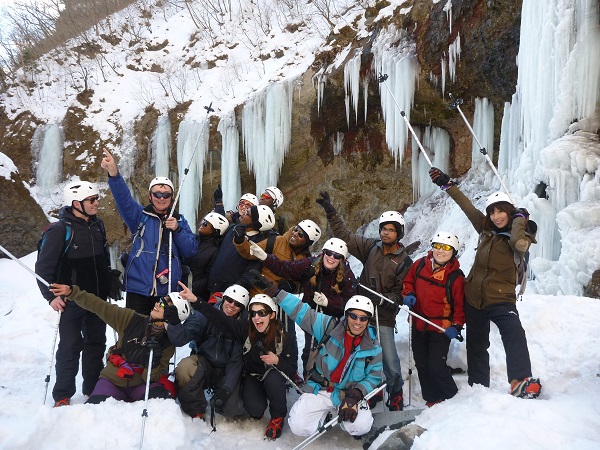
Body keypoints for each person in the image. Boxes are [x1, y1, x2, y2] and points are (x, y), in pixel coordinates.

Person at [429, 167, 541, 398]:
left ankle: (520, 380)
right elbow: (467, 206)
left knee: (514, 333)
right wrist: (448, 185)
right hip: (474, 297)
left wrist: (520, 220)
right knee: (477, 345)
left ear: (510, 212)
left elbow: (520, 246)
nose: (496, 216)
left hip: (501, 298)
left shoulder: (521, 234)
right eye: (492, 213)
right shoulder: (485, 229)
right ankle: (478, 387)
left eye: (502, 212)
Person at [251, 271, 382, 438]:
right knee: (298, 426)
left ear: (368, 320)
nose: (358, 322)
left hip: (349, 395)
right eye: (353, 316)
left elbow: (374, 376)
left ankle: (345, 419)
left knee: (361, 426)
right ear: (346, 315)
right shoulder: (330, 326)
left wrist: (356, 394)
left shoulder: (373, 347)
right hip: (321, 389)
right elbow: (302, 312)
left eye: (363, 318)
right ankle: (325, 416)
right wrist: (277, 293)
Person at [316, 192, 411, 411]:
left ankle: (395, 392)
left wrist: (387, 299)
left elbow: (401, 293)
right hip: (359, 314)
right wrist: (330, 212)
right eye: (383, 228)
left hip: (384, 316)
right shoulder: (371, 248)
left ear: (399, 233)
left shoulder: (405, 261)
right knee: (356, 355)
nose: (385, 233)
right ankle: (363, 392)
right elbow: (346, 236)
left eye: (390, 229)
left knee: (389, 359)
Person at [180, 284, 296, 441]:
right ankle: (258, 403)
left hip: (272, 374)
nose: (257, 317)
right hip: (252, 375)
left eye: (262, 313)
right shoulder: (245, 329)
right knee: (255, 410)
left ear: (272, 315)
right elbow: (221, 319)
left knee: (274, 380)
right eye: (253, 313)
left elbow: (291, 369)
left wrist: (277, 361)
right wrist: (197, 301)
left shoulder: (285, 338)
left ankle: (277, 418)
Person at [35, 181, 111, 407]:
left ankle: (93, 388)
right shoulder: (60, 230)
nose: (97, 203)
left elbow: (102, 260)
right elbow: (43, 268)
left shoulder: (98, 226)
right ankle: (63, 394)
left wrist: (110, 280)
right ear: (76, 203)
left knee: (96, 343)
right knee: (70, 346)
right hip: (72, 300)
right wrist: (50, 297)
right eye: (92, 200)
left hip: (97, 299)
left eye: (96, 199)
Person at [49, 283, 190, 404]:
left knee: (159, 409)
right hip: (113, 379)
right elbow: (99, 306)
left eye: (165, 304)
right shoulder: (130, 319)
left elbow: (152, 378)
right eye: (161, 300)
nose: (158, 304)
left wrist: (152, 363)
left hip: (141, 384)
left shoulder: (167, 343)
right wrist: (73, 292)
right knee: (95, 410)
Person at [100, 148, 197, 315]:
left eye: (166, 194)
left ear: (171, 198)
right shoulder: (140, 217)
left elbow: (191, 250)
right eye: (157, 194)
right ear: (150, 196)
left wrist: (178, 230)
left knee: (162, 335)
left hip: (167, 290)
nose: (161, 197)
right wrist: (114, 176)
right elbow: (124, 200)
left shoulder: (180, 221)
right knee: (135, 332)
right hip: (138, 289)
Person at [250, 237, 357, 374]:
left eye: (336, 256)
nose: (331, 258)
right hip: (310, 316)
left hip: (332, 321)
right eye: (328, 253)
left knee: (331, 351)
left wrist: (329, 303)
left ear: (341, 259)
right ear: (323, 253)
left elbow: (350, 303)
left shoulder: (347, 275)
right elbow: (286, 268)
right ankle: (309, 377)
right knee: (309, 350)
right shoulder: (311, 265)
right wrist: (265, 257)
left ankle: (328, 380)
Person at [402, 231, 465, 407]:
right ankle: (432, 398)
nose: (440, 251)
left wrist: (457, 326)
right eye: (437, 246)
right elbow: (408, 282)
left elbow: (460, 307)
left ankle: (452, 398)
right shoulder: (420, 264)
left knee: (436, 366)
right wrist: (409, 294)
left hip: (440, 328)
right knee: (421, 364)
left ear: (453, 252)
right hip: (418, 323)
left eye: (446, 248)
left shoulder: (456, 277)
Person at [168, 284, 249, 419]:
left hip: (227, 369)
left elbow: (236, 362)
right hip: (205, 363)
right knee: (184, 368)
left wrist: (226, 390)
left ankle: (225, 395)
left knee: (233, 411)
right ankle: (196, 408)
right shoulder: (204, 315)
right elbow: (180, 339)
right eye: (229, 299)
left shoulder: (243, 326)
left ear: (242, 308)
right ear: (223, 298)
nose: (232, 305)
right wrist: (174, 322)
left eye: (238, 304)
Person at [207, 204, 275, 295]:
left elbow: (251, 272)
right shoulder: (233, 229)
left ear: (254, 222)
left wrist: (234, 289)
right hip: (212, 284)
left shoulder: (259, 243)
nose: (243, 213)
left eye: (247, 213)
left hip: (230, 294)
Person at [184, 211, 229, 302]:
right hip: (182, 283)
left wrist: (192, 287)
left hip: (195, 291)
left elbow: (209, 276)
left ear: (213, 230)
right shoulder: (193, 239)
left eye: (205, 224)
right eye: (203, 221)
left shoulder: (215, 250)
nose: (202, 224)